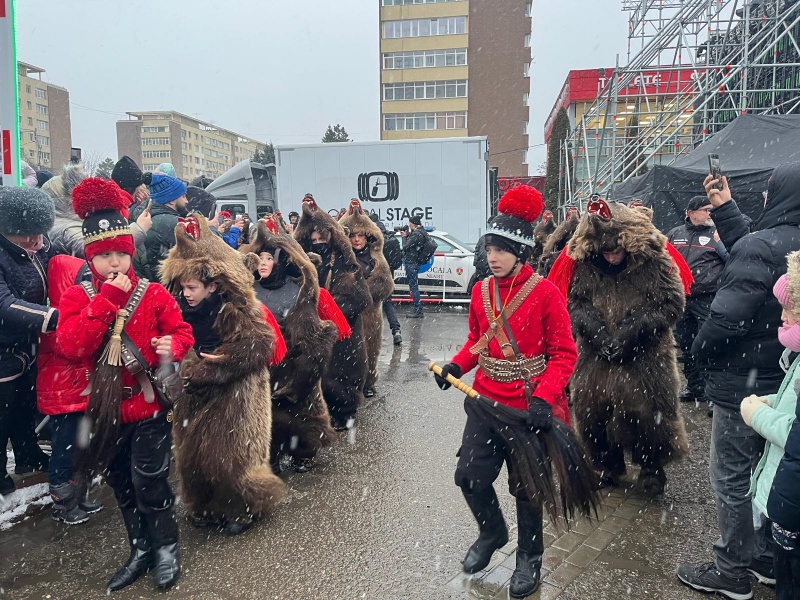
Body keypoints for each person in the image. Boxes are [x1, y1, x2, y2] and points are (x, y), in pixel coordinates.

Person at [434, 185, 578, 598]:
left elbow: (565, 355)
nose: (491, 257)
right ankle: (492, 531)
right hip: (484, 400)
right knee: (470, 476)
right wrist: (456, 366)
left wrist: (544, 398)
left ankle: (529, 558)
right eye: (488, 249)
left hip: (528, 407)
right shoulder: (481, 291)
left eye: (499, 250)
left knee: (528, 487)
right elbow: (478, 341)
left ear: (521, 251)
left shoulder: (547, 293)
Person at [56, 177, 194, 591]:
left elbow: (182, 332)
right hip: (105, 408)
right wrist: (104, 304)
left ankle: (166, 547)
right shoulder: (79, 296)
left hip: (149, 405)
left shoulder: (152, 293)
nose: (115, 263)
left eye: (121, 253)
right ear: (92, 258)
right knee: (120, 481)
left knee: (149, 478)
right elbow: (71, 346)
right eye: (105, 256)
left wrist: (173, 344)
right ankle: (140, 549)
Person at [676, 165, 800, 599]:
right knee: (768, 469)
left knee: (730, 477)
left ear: (777, 196)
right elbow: (757, 243)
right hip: (784, 387)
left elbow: (726, 320)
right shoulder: (783, 245)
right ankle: (765, 556)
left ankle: (731, 570)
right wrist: (725, 207)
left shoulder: (760, 247)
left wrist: (698, 353)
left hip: (741, 387)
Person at [551, 198, 689, 497]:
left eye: (617, 250)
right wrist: (595, 331)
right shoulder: (585, 263)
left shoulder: (653, 260)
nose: (612, 258)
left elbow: (672, 302)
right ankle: (606, 465)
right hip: (596, 355)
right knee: (591, 412)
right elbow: (576, 302)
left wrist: (635, 329)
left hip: (646, 355)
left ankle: (652, 466)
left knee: (649, 414)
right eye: (606, 252)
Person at [160, 214, 286, 535]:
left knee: (230, 458)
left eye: (192, 287)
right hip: (193, 391)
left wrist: (222, 362)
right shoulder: (178, 310)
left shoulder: (235, 308)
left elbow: (260, 344)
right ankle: (201, 504)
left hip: (234, 394)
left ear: (212, 285)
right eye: (183, 286)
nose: (186, 293)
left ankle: (244, 508)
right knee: (192, 456)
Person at [248, 216, 340, 473]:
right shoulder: (250, 290)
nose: (263, 263)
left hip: (292, 364)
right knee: (266, 420)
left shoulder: (297, 291)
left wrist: (300, 374)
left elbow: (313, 341)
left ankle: (303, 452)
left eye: (269, 258)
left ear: (279, 261)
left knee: (300, 416)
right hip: (263, 365)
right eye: (261, 258)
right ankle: (271, 455)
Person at [741, 256, 800, 599]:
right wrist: (772, 401)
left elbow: (795, 433)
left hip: (791, 502)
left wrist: (756, 416)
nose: (782, 317)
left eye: (790, 309)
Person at [293, 196, 372, 430]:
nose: (317, 243)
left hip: (342, 333)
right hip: (312, 330)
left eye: (322, 238)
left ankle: (345, 414)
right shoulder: (305, 263)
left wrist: (331, 306)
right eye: (313, 239)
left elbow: (362, 298)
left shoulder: (346, 263)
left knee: (339, 378)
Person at [0, 186, 57, 496]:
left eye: (40, 235)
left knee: (22, 404)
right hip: (3, 348)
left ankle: (27, 454)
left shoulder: (38, 245)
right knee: (2, 413)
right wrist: (53, 316)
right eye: (29, 237)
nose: (38, 242)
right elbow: (4, 304)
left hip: (25, 345)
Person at [667, 195, 726, 404]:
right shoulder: (675, 233)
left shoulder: (717, 233)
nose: (710, 214)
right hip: (682, 300)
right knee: (686, 345)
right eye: (706, 210)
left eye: (711, 210)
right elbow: (664, 260)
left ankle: (712, 394)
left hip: (707, 299)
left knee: (707, 345)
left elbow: (730, 260)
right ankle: (694, 388)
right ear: (691, 213)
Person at [341, 201, 395, 398]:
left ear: (367, 236)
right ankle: (349, 384)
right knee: (348, 352)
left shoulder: (375, 257)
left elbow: (386, 284)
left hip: (370, 314)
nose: (356, 240)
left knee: (370, 350)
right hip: (347, 314)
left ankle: (368, 382)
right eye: (352, 236)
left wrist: (362, 294)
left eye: (360, 235)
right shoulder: (342, 257)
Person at [132, 172, 188, 281]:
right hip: (166, 286)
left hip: (148, 285)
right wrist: (211, 229)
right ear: (171, 200)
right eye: (183, 196)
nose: (187, 201)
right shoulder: (173, 223)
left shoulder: (145, 216)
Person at [371, 213, 403, 345]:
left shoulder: (373, 239)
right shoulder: (390, 237)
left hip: (374, 276)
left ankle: (370, 336)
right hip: (389, 276)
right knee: (388, 304)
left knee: (371, 306)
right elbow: (397, 261)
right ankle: (396, 331)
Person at [401, 215, 431, 318]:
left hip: (411, 262)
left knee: (413, 287)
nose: (409, 225)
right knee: (414, 286)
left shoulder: (416, 234)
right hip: (416, 262)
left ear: (413, 224)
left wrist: (404, 237)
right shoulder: (421, 232)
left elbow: (405, 247)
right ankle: (417, 309)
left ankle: (418, 310)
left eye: (410, 223)